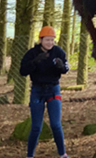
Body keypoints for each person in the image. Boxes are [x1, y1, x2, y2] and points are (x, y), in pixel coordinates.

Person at [20, 26, 70, 158]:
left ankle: (62, 154)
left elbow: (66, 67)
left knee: (55, 124)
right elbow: (22, 71)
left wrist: (61, 68)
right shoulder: (32, 53)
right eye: (47, 40)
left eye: (52, 40)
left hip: (53, 89)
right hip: (37, 90)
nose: (50, 43)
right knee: (36, 127)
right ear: (41, 40)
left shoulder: (58, 51)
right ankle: (30, 155)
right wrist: (35, 62)